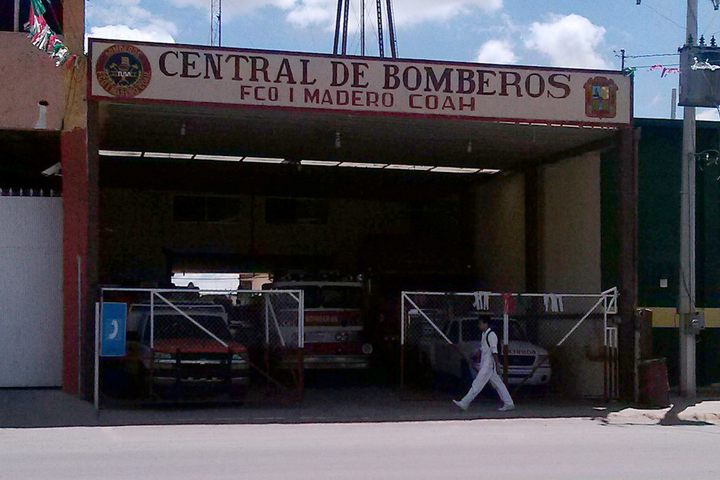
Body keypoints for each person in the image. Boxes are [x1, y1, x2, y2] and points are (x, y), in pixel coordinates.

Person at [453, 315, 515, 412]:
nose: (479, 326)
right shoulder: (485, 334)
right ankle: (509, 403)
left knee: (477, 384)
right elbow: (482, 348)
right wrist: (475, 357)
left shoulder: (491, 335)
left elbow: (494, 352)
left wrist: (497, 365)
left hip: (488, 365)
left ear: (486, 324)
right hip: (486, 365)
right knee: (498, 384)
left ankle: (465, 402)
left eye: (480, 323)